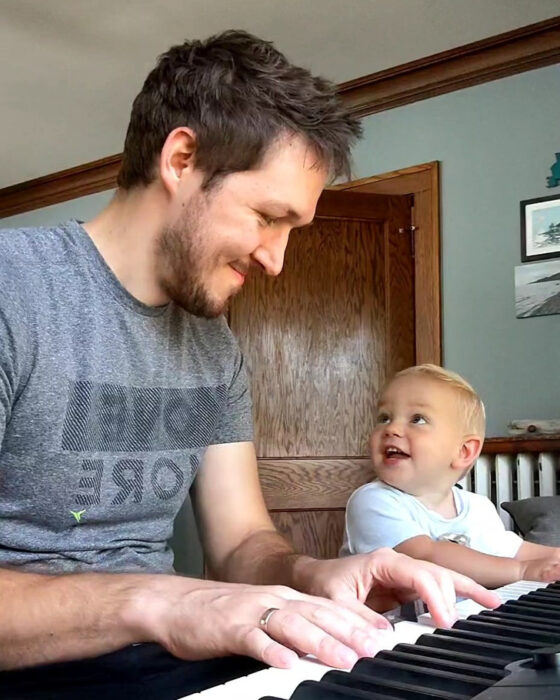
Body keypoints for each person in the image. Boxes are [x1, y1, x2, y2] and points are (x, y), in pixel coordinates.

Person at [0, 32, 499, 699]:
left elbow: (242, 545)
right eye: (269, 217)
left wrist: (316, 575)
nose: (276, 260)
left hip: (155, 660)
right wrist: (162, 601)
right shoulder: (15, 290)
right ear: (182, 158)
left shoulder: (214, 349)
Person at [341, 363, 560, 590]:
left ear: (463, 451)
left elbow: (517, 551)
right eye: (384, 418)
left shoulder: (478, 508)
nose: (391, 429)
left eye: (417, 419)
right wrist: (521, 571)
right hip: (389, 624)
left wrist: (554, 556)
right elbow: (424, 556)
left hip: (460, 621)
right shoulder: (372, 501)